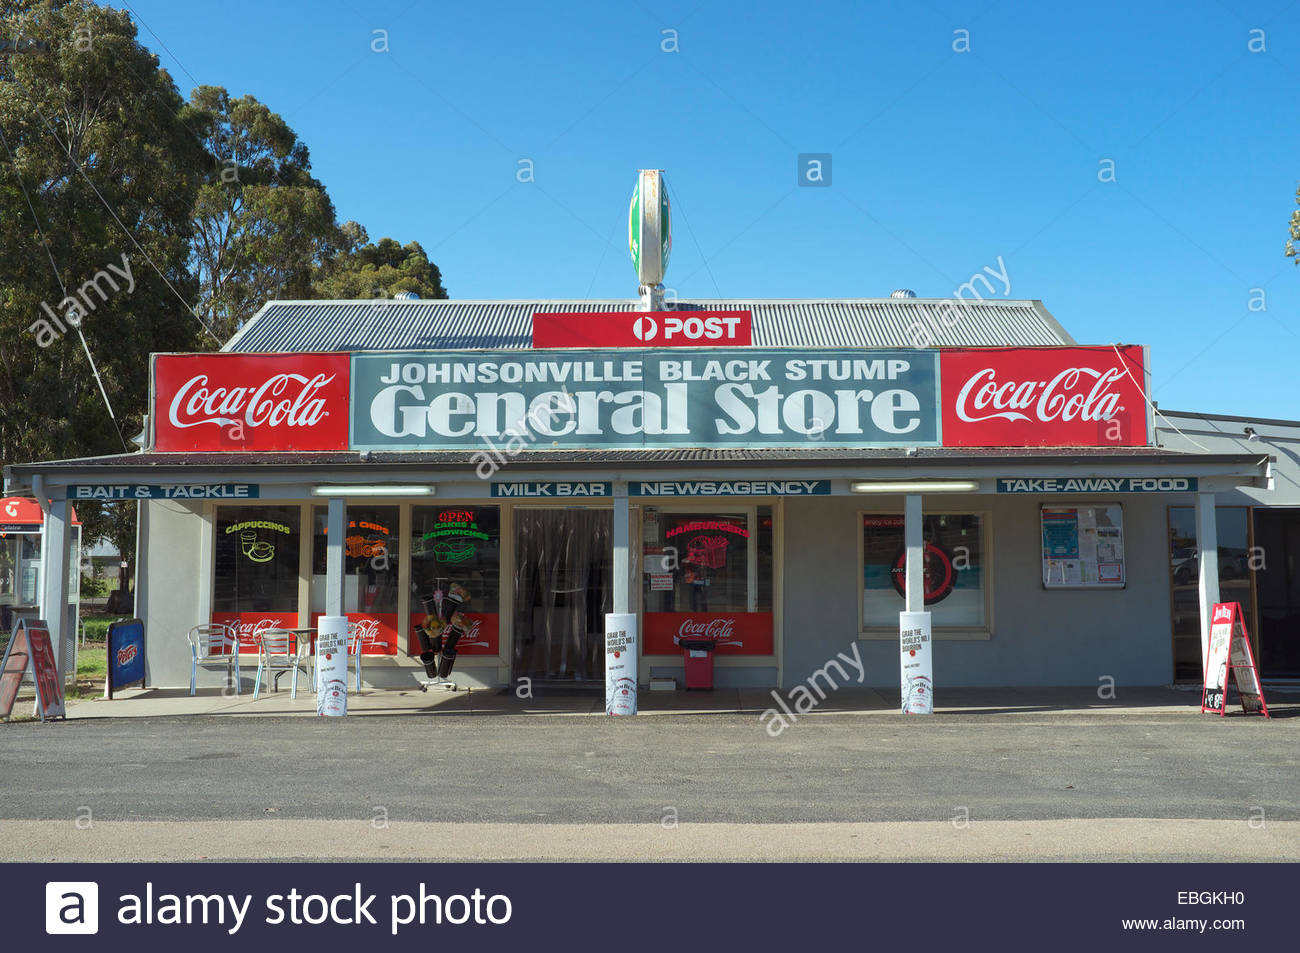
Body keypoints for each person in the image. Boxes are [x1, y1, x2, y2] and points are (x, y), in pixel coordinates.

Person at [415, 582, 471, 681]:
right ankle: (439, 674)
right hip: (437, 626)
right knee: (439, 639)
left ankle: (440, 673)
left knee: (439, 635)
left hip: (437, 625)